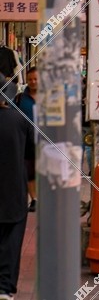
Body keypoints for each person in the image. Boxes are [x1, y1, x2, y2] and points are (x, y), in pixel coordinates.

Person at [0, 77, 34, 300]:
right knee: (11, 239)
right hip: (13, 187)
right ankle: (4, 287)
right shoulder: (19, 120)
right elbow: (32, 154)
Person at [14, 70, 35, 212]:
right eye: (30, 79)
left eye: (36, 79)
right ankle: (34, 199)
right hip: (26, 139)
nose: (33, 82)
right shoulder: (21, 98)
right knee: (29, 171)